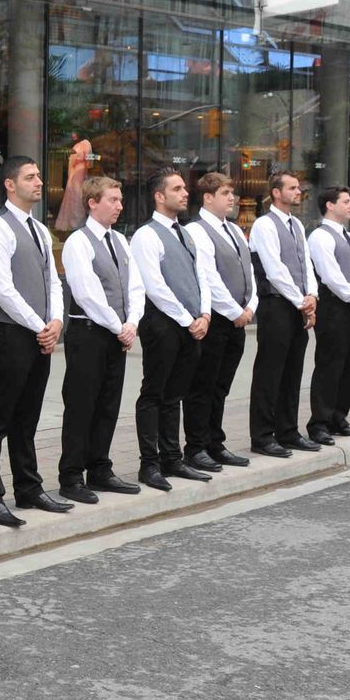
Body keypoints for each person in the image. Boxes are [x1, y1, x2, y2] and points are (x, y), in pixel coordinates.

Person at [0, 155, 70, 523]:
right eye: (30, 177)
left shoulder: (41, 230)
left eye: (39, 175)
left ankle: (28, 488)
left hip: (39, 334)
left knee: (27, 417)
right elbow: (1, 289)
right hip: (10, 334)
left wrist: (56, 320)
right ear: (10, 185)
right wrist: (39, 325)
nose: (39, 182)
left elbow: (53, 281)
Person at [57, 176, 143, 502]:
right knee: (82, 405)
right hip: (89, 334)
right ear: (93, 203)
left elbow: (135, 285)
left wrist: (132, 322)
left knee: (108, 403)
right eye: (112, 200)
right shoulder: (78, 242)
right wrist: (119, 326)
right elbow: (86, 292)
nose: (119, 206)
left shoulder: (120, 241)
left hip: (116, 333)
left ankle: (99, 468)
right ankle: (71, 477)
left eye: (120, 200)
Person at [129, 169, 211, 492]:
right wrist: (188, 319)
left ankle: (172, 458)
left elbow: (201, 275)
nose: (185, 193)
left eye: (184, 188)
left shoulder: (186, 234)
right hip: (163, 324)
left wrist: (205, 314)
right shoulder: (146, 235)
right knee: (154, 392)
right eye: (176, 189)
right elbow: (154, 286)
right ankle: (149, 464)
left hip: (191, 324)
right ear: (159, 196)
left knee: (175, 394)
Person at [184, 172, 255, 470]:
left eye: (232, 193)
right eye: (225, 193)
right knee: (203, 385)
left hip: (238, 319)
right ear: (208, 197)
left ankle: (215, 441)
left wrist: (250, 305)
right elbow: (208, 277)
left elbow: (249, 271)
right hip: (215, 320)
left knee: (221, 386)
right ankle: (196, 446)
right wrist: (234, 310)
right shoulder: (197, 230)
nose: (232, 199)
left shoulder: (235, 230)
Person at [246, 170, 317, 457]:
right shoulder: (264, 225)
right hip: (276, 305)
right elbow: (274, 270)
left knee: (293, 370)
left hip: (298, 304)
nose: (298, 192)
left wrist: (312, 295)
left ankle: (288, 431)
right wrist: (302, 300)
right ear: (276, 192)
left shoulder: (297, 224)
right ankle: (263, 436)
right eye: (292, 187)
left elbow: (306, 263)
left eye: (298, 187)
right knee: (270, 371)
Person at [306, 185, 350, 444]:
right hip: (334, 307)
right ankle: (319, 423)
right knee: (330, 365)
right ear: (330, 205)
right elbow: (330, 275)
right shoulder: (320, 236)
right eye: (346, 201)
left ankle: (339, 417)